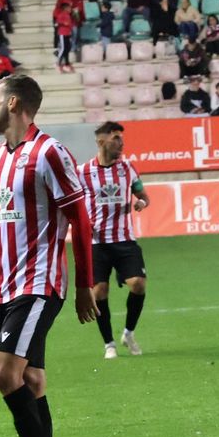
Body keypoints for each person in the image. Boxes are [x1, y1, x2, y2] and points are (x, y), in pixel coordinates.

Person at [0, 73, 96, 437]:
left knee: (2, 374)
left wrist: (84, 284)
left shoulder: (50, 153)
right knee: (30, 379)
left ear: (13, 103)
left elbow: (80, 220)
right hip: (6, 287)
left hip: (39, 283)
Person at [78, 122, 151, 360]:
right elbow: (74, 204)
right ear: (101, 142)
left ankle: (128, 333)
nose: (121, 143)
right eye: (116, 139)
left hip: (124, 239)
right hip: (97, 243)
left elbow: (143, 195)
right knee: (99, 291)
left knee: (138, 284)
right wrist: (82, 223)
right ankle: (109, 343)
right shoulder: (83, 172)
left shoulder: (128, 168)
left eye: (121, 139)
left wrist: (141, 202)